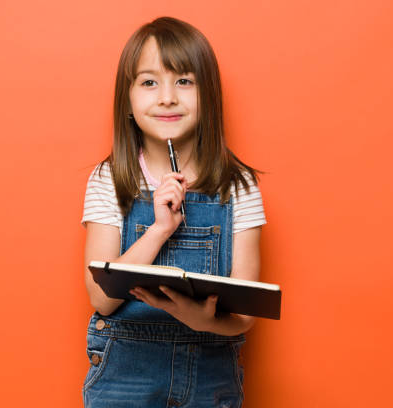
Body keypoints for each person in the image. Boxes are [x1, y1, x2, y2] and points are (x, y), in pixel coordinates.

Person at [80, 16, 266, 407]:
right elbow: (102, 298)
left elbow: (245, 314)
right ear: (127, 99)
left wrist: (201, 320)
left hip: (211, 373)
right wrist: (159, 229)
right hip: (124, 376)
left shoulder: (239, 185)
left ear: (209, 95)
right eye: (149, 82)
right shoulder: (110, 178)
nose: (167, 97)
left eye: (184, 81)